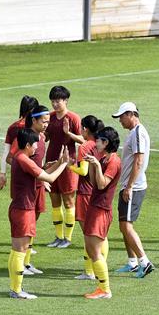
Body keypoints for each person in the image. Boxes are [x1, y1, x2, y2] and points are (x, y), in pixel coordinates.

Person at [7, 128, 70, 299]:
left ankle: (15, 288)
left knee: (17, 250)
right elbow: (49, 179)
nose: (37, 147)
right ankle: (16, 290)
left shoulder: (21, 158)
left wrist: (57, 164)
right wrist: (64, 164)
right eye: (35, 143)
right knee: (20, 250)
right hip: (23, 210)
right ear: (27, 144)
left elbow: (41, 175)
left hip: (19, 208)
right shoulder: (23, 160)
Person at [7, 105, 52, 275]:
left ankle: (26, 263)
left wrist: (42, 171)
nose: (46, 124)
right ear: (34, 120)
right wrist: (30, 172)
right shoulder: (24, 138)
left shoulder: (41, 137)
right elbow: (11, 158)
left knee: (32, 225)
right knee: (25, 226)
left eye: (48, 121)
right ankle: (21, 266)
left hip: (38, 185)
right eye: (43, 121)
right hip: (27, 190)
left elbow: (37, 165)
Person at [112, 102, 155, 278]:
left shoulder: (138, 132)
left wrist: (129, 186)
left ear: (131, 114)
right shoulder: (134, 132)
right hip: (130, 185)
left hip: (134, 187)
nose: (120, 120)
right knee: (124, 224)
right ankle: (132, 262)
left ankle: (144, 262)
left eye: (122, 117)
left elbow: (138, 161)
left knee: (126, 225)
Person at [82, 127, 122, 299]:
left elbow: (101, 184)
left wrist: (97, 165)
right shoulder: (104, 158)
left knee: (94, 251)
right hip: (95, 206)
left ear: (105, 143)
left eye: (98, 140)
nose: (95, 143)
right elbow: (92, 181)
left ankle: (105, 289)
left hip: (101, 209)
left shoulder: (113, 161)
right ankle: (101, 288)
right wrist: (93, 164)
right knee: (91, 249)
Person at [45, 85, 84, 248]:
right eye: (53, 101)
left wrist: (68, 133)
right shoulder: (51, 117)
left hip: (68, 164)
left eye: (58, 101)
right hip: (52, 161)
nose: (55, 104)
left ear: (66, 100)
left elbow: (82, 140)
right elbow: (46, 137)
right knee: (54, 200)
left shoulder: (74, 118)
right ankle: (58, 236)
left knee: (68, 201)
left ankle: (67, 238)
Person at [70, 115, 104, 281]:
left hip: (85, 193)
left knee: (88, 234)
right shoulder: (100, 144)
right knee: (100, 233)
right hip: (98, 192)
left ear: (84, 129)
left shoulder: (85, 147)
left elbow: (82, 171)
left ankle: (90, 271)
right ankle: (100, 266)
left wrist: (68, 165)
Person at [0, 96, 40, 191]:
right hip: (35, 173)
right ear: (33, 110)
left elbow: (6, 152)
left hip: (18, 174)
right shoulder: (36, 126)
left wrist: (3, 173)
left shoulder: (12, 127)